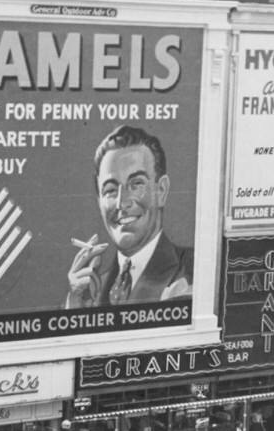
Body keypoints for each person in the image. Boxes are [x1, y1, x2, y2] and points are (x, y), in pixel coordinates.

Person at [66, 127, 194, 308]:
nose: (121, 202)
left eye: (136, 184)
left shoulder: (191, 272)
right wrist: (74, 306)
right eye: (110, 190)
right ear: (99, 200)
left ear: (161, 190)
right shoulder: (92, 289)